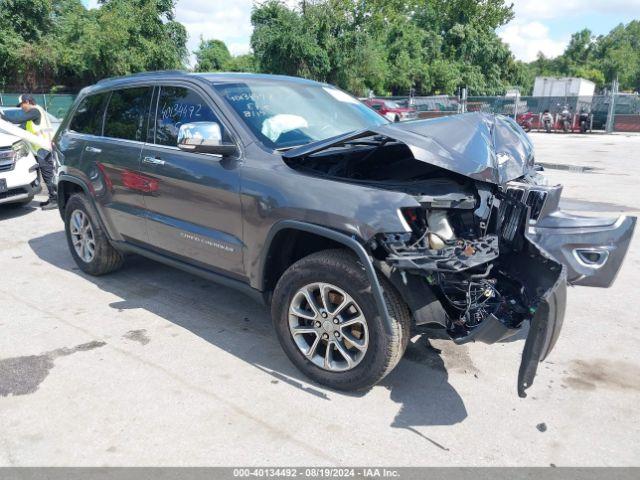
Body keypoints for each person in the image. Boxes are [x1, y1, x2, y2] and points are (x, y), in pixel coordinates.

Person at [0, 94, 57, 209]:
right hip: (40, 149)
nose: (22, 108)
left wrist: (3, 117)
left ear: (27, 101)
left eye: (22, 105)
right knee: (47, 175)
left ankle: (55, 200)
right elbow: (20, 127)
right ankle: (52, 198)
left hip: (43, 148)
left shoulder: (35, 111)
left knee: (48, 175)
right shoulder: (32, 117)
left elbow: (17, 119)